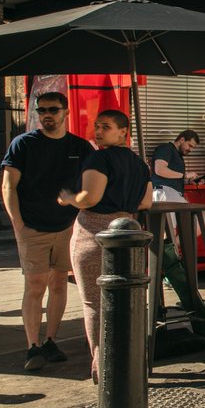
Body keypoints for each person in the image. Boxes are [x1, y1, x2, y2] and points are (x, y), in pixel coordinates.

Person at [1, 91, 93, 372]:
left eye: (52, 110)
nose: (46, 115)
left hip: (67, 226)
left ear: (65, 112)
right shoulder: (24, 144)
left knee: (58, 283)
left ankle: (51, 340)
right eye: (41, 111)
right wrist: (17, 223)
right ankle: (33, 345)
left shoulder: (80, 146)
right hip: (32, 226)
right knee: (36, 284)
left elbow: (89, 186)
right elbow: (8, 186)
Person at [57, 110, 152, 383]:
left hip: (95, 232)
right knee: (126, 302)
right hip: (130, 231)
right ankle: (131, 364)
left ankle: (105, 368)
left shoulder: (98, 158)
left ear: (123, 132)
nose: (98, 132)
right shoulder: (139, 164)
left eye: (106, 127)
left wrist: (68, 198)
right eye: (97, 126)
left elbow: (90, 197)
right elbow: (146, 203)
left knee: (95, 304)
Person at [150, 129, 200, 203]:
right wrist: (185, 175)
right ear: (182, 140)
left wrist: (190, 180)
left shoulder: (179, 156)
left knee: (192, 212)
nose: (191, 150)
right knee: (191, 212)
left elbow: (176, 177)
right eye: (190, 145)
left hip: (173, 194)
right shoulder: (166, 148)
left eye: (193, 148)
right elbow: (159, 170)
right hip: (164, 192)